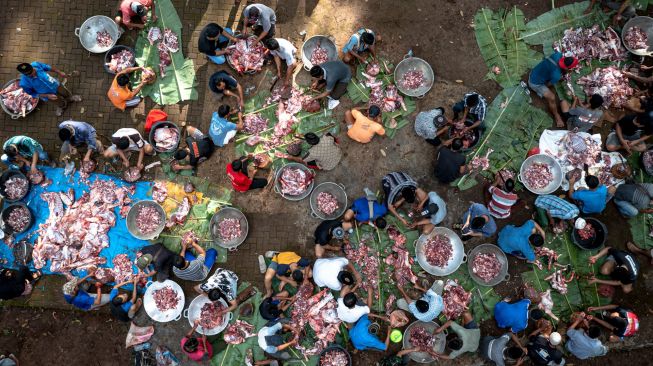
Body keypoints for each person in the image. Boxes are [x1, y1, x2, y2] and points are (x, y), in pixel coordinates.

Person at [528, 52, 579, 127]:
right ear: (566, 68)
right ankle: (556, 116)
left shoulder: (558, 55)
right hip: (534, 83)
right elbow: (548, 84)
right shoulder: (556, 75)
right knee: (552, 97)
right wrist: (562, 74)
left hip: (535, 71)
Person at [17, 62, 81, 117]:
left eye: (33, 69)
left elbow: (48, 67)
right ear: (26, 74)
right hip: (48, 95)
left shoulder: (35, 64)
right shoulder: (24, 83)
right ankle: (62, 106)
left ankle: (71, 98)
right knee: (58, 102)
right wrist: (47, 96)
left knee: (65, 93)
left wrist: (59, 72)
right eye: (31, 73)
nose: (34, 71)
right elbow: (33, 93)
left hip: (56, 84)